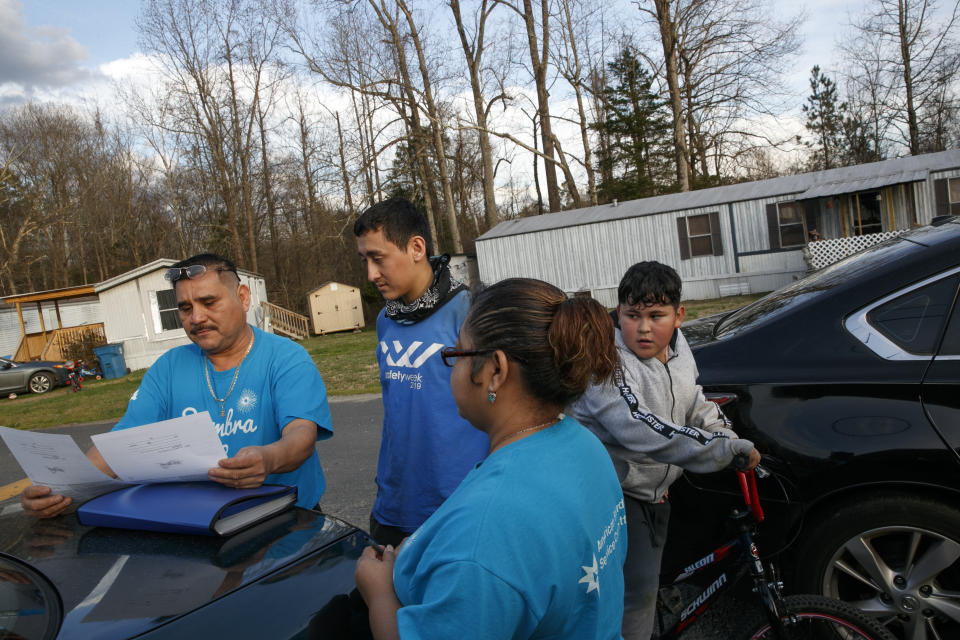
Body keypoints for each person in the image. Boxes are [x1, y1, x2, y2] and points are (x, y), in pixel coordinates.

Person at [354, 278, 627, 639]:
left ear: (495, 371)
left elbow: (486, 553)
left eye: (455, 355)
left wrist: (380, 595)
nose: (450, 370)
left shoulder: (485, 534)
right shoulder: (583, 445)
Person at [22, 253, 333, 516]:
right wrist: (61, 490)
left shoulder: (286, 357)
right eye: (185, 308)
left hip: (287, 518)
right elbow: (123, 442)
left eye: (209, 302)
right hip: (200, 520)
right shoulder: (168, 368)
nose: (196, 317)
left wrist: (268, 460)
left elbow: (301, 436)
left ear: (242, 297)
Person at [569, 261, 761, 640]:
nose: (642, 328)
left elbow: (695, 400)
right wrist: (720, 449)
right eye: (632, 315)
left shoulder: (679, 346)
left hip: (657, 489)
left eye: (656, 316)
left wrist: (720, 430)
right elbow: (641, 428)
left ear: (678, 316)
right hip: (616, 492)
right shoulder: (607, 361)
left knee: (647, 582)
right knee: (636, 596)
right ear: (618, 311)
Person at [355, 198, 488, 547]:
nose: (370, 274)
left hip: (457, 509)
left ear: (416, 248)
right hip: (392, 508)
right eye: (365, 260)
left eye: (378, 258)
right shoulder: (386, 319)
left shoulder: (471, 314)